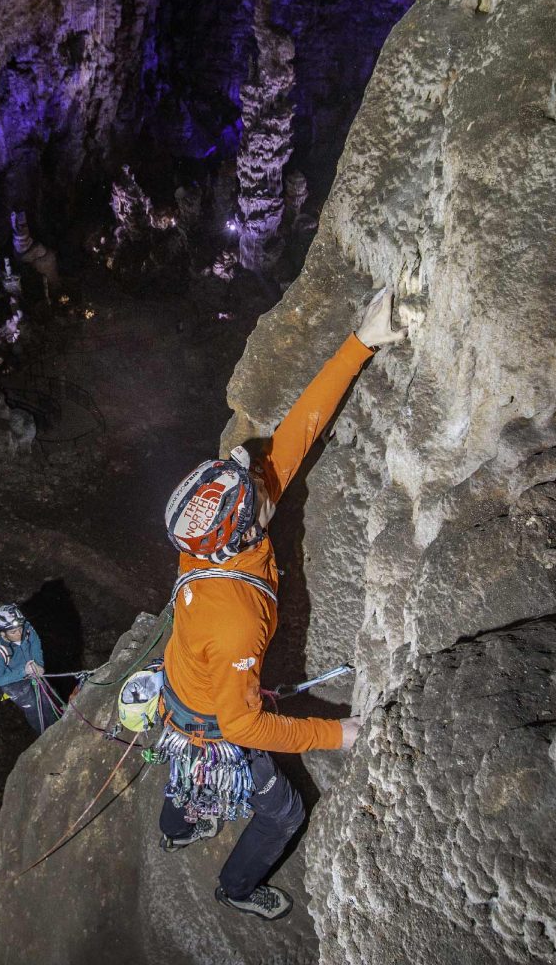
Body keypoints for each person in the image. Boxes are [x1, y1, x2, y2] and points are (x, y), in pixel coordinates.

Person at [157, 288, 406, 921]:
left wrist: (362, 340)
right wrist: (338, 733)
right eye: (254, 490)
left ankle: (179, 825)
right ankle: (237, 889)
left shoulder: (205, 543)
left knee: (186, 771)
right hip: (215, 716)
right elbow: (242, 726)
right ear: (246, 525)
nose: (264, 477)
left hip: (182, 688)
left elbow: (294, 438)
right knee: (285, 811)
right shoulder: (237, 619)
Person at [0, 606, 58, 734]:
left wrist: (39, 664)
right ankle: (45, 735)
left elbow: (36, 644)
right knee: (33, 708)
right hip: (13, 684)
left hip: (33, 670)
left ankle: (57, 725)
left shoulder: (27, 628)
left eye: (19, 628)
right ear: (3, 633)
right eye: (13, 632)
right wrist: (24, 672)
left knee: (46, 701)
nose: (19, 633)